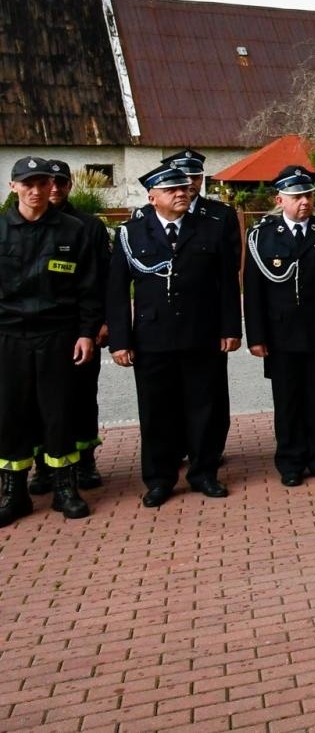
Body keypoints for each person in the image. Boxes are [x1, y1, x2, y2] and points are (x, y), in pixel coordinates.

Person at [107, 164, 241, 506]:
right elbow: (117, 291)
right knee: (156, 411)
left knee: (204, 407)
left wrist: (230, 328)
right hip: (153, 337)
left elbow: (227, 282)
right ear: (152, 197)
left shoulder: (209, 228)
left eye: (184, 188)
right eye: (171, 190)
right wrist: (120, 340)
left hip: (202, 332)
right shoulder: (131, 233)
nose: (182, 193)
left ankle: (204, 472)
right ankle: (159, 479)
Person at [0, 158, 103, 526]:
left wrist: (87, 332)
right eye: (28, 183)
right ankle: (14, 493)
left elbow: (89, 288)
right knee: (10, 414)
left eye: (43, 183)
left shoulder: (73, 231)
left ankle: (65, 488)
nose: (37, 190)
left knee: (59, 411)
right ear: (13, 187)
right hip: (8, 336)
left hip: (58, 335)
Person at [242, 165, 315, 485]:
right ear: (280, 199)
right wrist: (256, 336)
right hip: (280, 334)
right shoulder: (261, 234)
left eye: (307, 194)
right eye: (296, 196)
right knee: (288, 400)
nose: (304, 201)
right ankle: (291, 462)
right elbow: (252, 290)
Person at [35, 159, 111, 495]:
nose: (54, 189)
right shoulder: (27, 222)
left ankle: (85, 461)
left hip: (81, 327)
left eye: (61, 183)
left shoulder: (89, 226)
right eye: (47, 182)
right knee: (38, 401)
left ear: (69, 186)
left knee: (82, 397)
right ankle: (43, 467)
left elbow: (103, 278)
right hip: (37, 332)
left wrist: (103, 321)